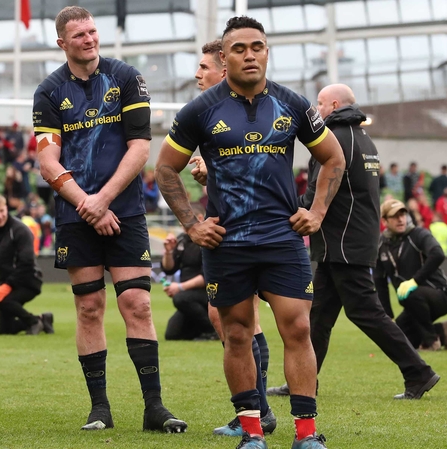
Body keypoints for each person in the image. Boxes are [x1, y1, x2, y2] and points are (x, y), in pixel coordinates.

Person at [155, 16, 346, 449]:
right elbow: (165, 168)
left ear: (266, 51)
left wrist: (316, 212)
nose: (249, 54)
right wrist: (192, 224)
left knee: (297, 329)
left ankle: (307, 434)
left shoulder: (293, 104)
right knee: (237, 333)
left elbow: (333, 159)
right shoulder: (200, 110)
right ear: (224, 57)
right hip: (227, 243)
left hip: (281, 239)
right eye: (238, 48)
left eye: (256, 46)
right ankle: (253, 433)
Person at [32, 6, 187, 433]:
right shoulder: (48, 92)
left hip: (124, 209)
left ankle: (154, 406)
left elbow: (140, 148)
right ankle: (99, 407)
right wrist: (87, 204)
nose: (89, 39)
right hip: (75, 212)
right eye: (79, 34)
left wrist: (103, 200)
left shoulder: (126, 77)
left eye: (93, 31)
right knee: (89, 307)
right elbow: (47, 160)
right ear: (62, 43)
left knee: (137, 303)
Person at [266, 84, 440, 404]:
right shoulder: (363, 138)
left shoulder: (333, 138)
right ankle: (303, 381)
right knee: (318, 315)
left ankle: (418, 370)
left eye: (319, 104)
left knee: (365, 312)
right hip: (350, 240)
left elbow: (317, 193)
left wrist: (282, 208)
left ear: (334, 105)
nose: (316, 110)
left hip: (342, 242)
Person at [188, 39, 277, 438]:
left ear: (223, 70)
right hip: (225, 226)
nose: (198, 74)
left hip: (253, 231)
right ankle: (257, 409)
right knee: (231, 319)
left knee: (244, 321)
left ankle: (259, 412)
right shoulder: (205, 115)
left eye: (204, 67)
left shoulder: (254, 107)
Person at [376, 199, 447, 351]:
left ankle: (431, 341)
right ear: (385, 221)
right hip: (413, 302)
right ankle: (442, 330)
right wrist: (388, 317)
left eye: (403, 214)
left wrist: (414, 281)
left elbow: (438, 254)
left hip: (441, 294)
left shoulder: (418, 234)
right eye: (394, 216)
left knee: (409, 294)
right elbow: (379, 281)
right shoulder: (381, 244)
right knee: (397, 338)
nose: (400, 219)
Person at [0, 194, 50, 335]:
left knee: (0, 300)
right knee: (1, 330)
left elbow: (27, 263)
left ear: (7, 209)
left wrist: (7, 286)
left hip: (28, 281)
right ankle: (44, 319)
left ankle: (34, 322)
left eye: (2, 211)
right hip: (5, 285)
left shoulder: (20, 230)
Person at [160, 204, 216, 341]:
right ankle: (201, 330)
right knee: (172, 334)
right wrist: (168, 251)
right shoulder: (183, 239)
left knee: (180, 298)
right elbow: (169, 268)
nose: (183, 228)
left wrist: (179, 287)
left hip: (209, 293)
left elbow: (206, 276)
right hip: (189, 297)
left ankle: (213, 331)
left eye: (184, 223)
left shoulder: (209, 239)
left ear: (200, 218)